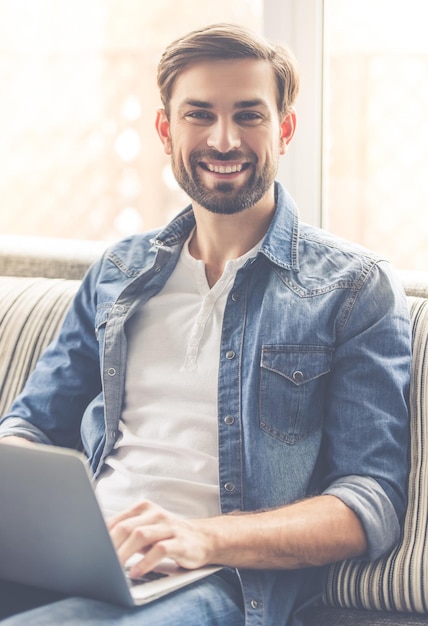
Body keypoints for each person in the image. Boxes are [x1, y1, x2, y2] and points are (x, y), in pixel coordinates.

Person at [0, 22, 411, 626]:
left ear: (285, 129)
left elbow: (367, 502)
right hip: (79, 562)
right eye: (199, 115)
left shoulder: (353, 288)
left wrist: (201, 537)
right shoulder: (117, 271)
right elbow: (31, 425)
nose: (224, 139)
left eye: (249, 115)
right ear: (167, 131)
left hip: (215, 581)